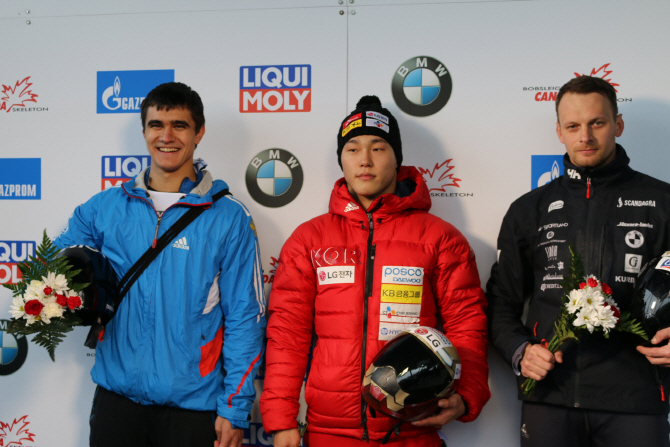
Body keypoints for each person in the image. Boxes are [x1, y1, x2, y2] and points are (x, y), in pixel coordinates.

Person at [260, 95, 490, 447]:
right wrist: (280, 419)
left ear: (397, 157)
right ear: (341, 159)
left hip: (412, 431)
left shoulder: (441, 238)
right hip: (329, 434)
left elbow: (467, 325)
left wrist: (467, 394)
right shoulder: (309, 240)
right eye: (352, 149)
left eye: (378, 148)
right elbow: (287, 335)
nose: (364, 160)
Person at [55, 82, 265, 447]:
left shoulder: (228, 218)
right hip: (116, 402)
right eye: (156, 125)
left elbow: (246, 318)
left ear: (199, 132)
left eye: (179, 125)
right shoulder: (106, 207)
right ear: (144, 131)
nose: (166, 136)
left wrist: (234, 408)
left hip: (191, 409)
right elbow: (54, 266)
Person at [486, 75, 670, 447]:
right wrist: (521, 353)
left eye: (597, 123)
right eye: (573, 126)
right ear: (559, 132)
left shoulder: (662, 202)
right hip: (550, 396)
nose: (584, 136)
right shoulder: (528, 210)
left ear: (617, 124)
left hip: (636, 398)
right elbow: (500, 304)